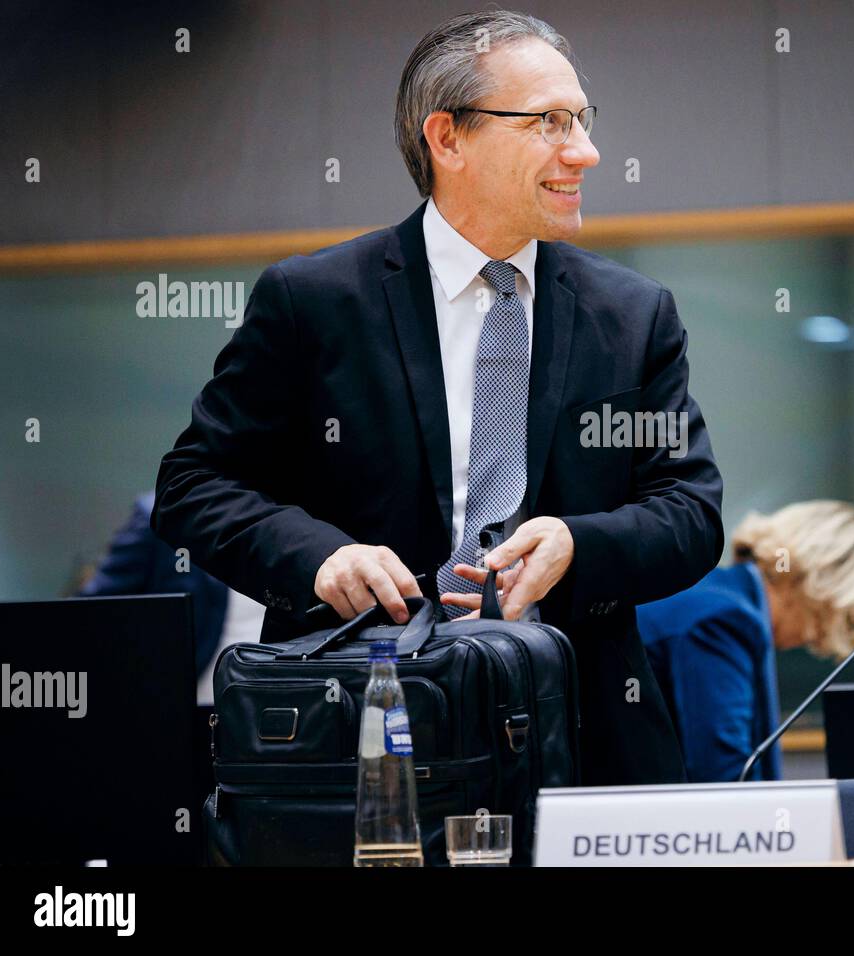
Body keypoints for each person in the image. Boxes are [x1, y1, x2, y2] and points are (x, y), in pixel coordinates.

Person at [150, 11, 723, 787]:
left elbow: (690, 512)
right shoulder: (313, 302)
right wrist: (320, 558)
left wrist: (576, 545)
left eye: (582, 120)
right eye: (549, 122)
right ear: (447, 139)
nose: (584, 151)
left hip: (583, 741)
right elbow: (194, 486)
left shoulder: (633, 315)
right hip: (360, 740)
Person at [637, 501, 854, 782]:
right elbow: (726, 780)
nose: (813, 640)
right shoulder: (724, 621)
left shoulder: (712, 593)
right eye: (830, 622)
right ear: (821, 586)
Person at [77, 491, 266, 705]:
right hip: (191, 704)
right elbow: (90, 612)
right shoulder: (159, 514)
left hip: (284, 702)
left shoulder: (298, 515)